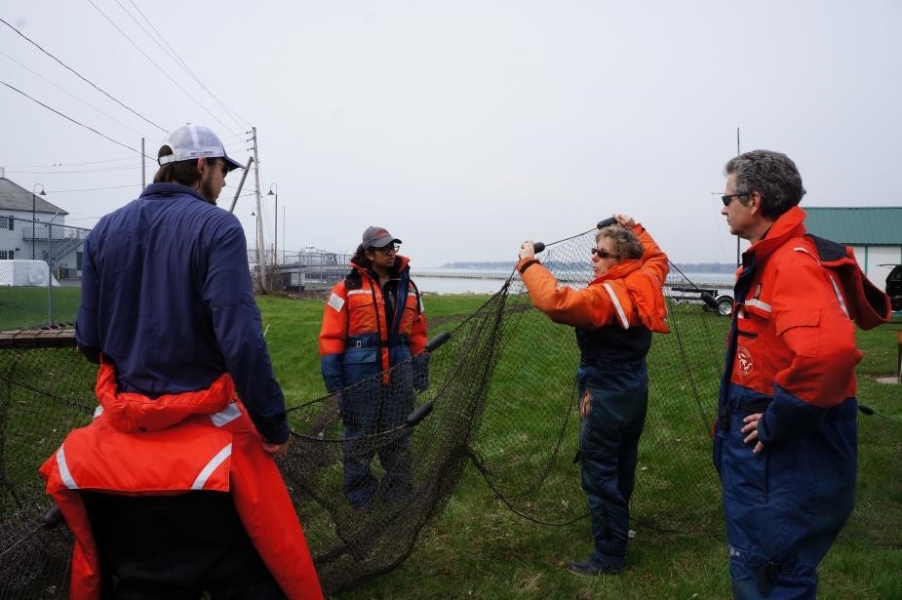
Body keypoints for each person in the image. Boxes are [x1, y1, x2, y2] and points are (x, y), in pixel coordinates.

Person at [39, 123, 323, 599]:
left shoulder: (106, 228)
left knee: (141, 578)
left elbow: (89, 340)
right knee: (253, 572)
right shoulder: (217, 227)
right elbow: (242, 341)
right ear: (200, 167)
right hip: (205, 448)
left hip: (122, 447)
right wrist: (273, 428)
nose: (226, 180)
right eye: (222, 170)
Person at [714, 150, 890, 598]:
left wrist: (778, 420)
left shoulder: (791, 263)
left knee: (771, 575)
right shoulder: (773, 259)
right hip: (768, 458)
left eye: (726, 196)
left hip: (782, 464)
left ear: (753, 201)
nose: (722, 207)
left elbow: (828, 354)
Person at [516, 214, 669, 576]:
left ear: (622, 260)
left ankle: (609, 555)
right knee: (622, 461)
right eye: (594, 250)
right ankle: (618, 527)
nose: (593, 257)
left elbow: (555, 302)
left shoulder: (605, 295)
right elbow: (657, 256)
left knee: (599, 472)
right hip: (634, 388)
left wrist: (528, 262)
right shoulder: (647, 277)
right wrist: (636, 227)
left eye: (601, 253)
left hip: (605, 391)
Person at [319, 226, 428, 509]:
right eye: (384, 249)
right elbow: (331, 336)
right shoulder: (345, 290)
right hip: (360, 371)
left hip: (400, 367)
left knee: (399, 431)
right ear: (368, 254)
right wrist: (334, 376)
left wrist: (420, 365)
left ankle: (398, 492)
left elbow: (418, 331)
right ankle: (360, 495)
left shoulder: (410, 288)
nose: (391, 253)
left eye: (393, 247)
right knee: (359, 433)